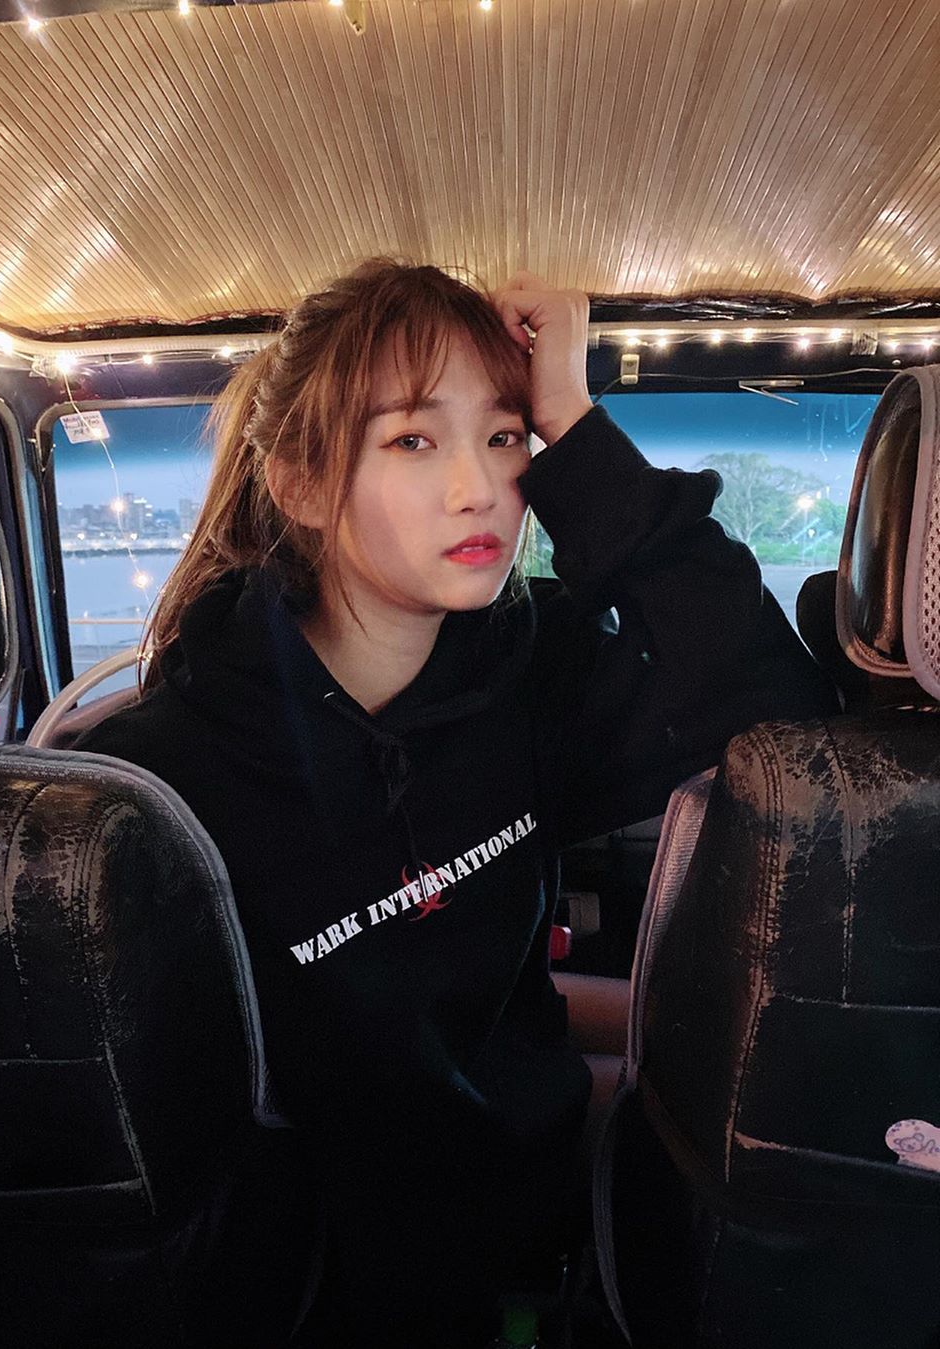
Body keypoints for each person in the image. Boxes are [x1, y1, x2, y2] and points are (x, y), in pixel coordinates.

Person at [76, 260, 836, 1347]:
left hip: (535, 1224)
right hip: (316, 1287)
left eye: (504, 435)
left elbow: (773, 713)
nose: (481, 488)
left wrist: (574, 422)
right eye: (413, 440)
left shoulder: (533, 674)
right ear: (301, 484)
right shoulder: (161, 778)